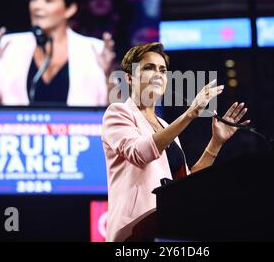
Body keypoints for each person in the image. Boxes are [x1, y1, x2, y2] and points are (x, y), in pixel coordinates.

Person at [101, 42, 251, 241]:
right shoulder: (118, 113)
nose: (158, 74)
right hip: (133, 233)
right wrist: (190, 114)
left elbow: (186, 183)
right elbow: (140, 153)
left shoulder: (165, 126)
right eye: (149, 68)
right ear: (129, 78)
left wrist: (216, 142)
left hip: (165, 231)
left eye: (162, 70)